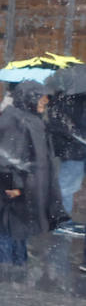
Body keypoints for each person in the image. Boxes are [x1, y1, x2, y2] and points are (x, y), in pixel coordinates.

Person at [0, 80, 67, 266]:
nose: (45, 103)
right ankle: (5, 265)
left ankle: (17, 263)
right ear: (30, 98)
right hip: (16, 187)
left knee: (21, 227)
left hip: (27, 187)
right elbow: (3, 158)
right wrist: (13, 186)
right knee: (10, 227)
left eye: (45, 100)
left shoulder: (32, 119)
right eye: (41, 99)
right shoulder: (13, 120)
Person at [45, 89, 85, 236]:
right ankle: (59, 222)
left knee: (67, 185)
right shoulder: (68, 100)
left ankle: (60, 220)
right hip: (75, 150)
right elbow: (65, 127)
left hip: (75, 149)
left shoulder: (69, 98)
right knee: (67, 186)